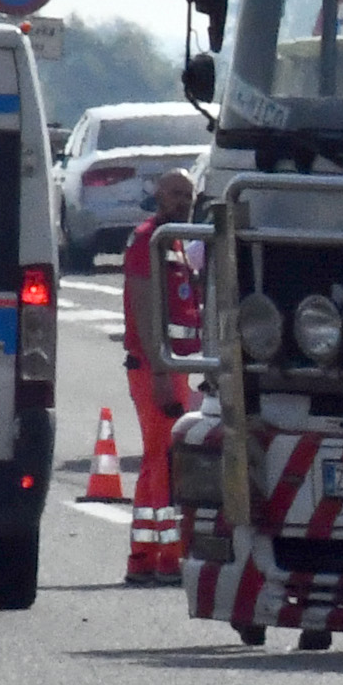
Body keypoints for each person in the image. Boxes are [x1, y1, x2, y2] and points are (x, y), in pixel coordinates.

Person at [118, 169, 205, 587]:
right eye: (174, 194)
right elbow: (143, 306)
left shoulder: (174, 241)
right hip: (157, 367)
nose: (182, 201)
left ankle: (144, 557)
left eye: (187, 194)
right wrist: (159, 371)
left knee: (159, 459)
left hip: (174, 366)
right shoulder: (147, 240)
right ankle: (166, 558)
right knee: (166, 461)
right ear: (157, 194)